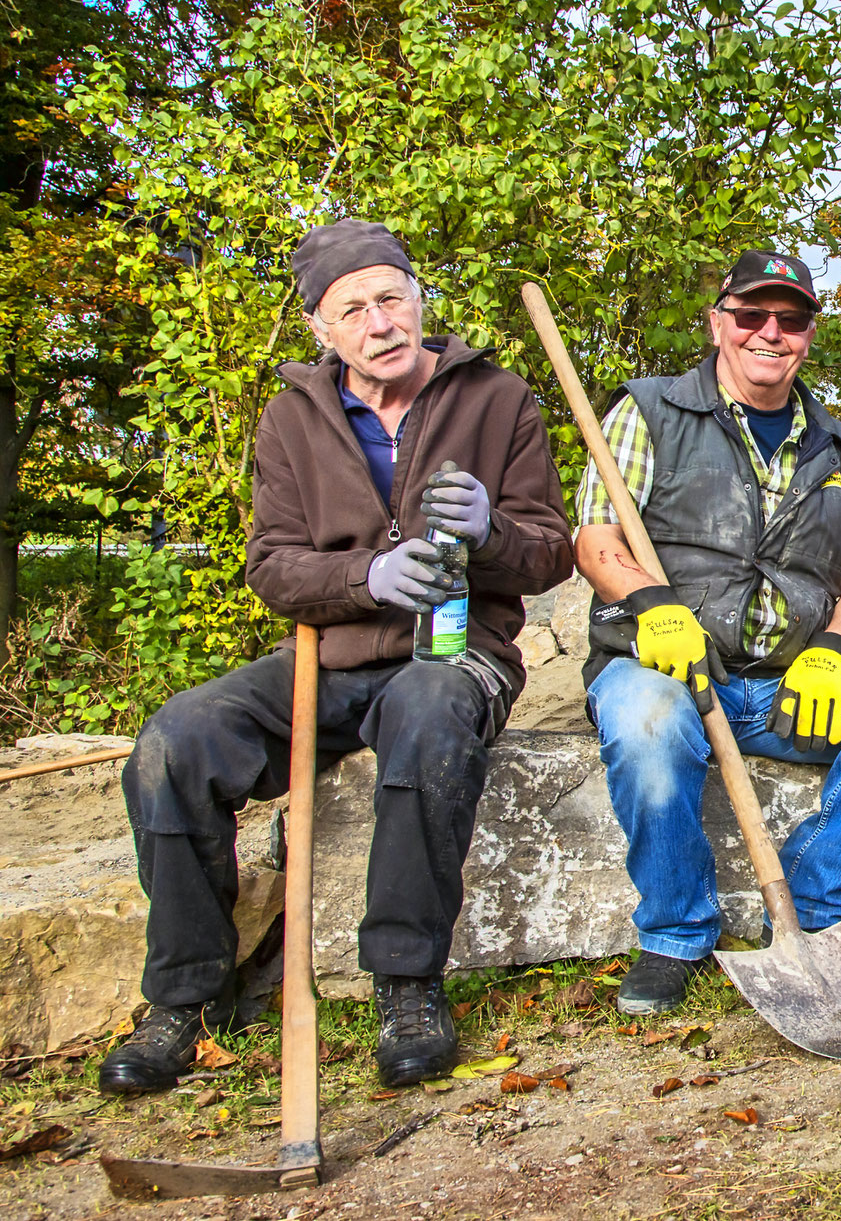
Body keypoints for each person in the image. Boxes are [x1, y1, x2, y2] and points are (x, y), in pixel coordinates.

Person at [101, 219, 575, 1094]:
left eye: (391, 298)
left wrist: (492, 532)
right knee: (177, 740)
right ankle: (182, 1001)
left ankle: (407, 986)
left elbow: (550, 552)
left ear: (418, 300)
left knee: (429, 714)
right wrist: (369, 574)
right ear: (321, 328)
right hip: (332, 654)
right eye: (351, 309)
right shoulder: (291, 419)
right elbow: (273, 565)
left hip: (458, 651)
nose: (379, 322)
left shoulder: (497, 398)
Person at [576, 250, 841, 1014]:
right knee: (644, 720)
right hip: (670, 666)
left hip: (789, 679)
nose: (770, 333)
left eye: (791, 319)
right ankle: (676, 933)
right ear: (719, 323)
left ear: (809, 335)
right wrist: (653, 604)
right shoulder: (648, 410)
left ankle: (813, 905)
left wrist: (833, 651)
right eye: (751, 315)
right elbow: (594, 538)